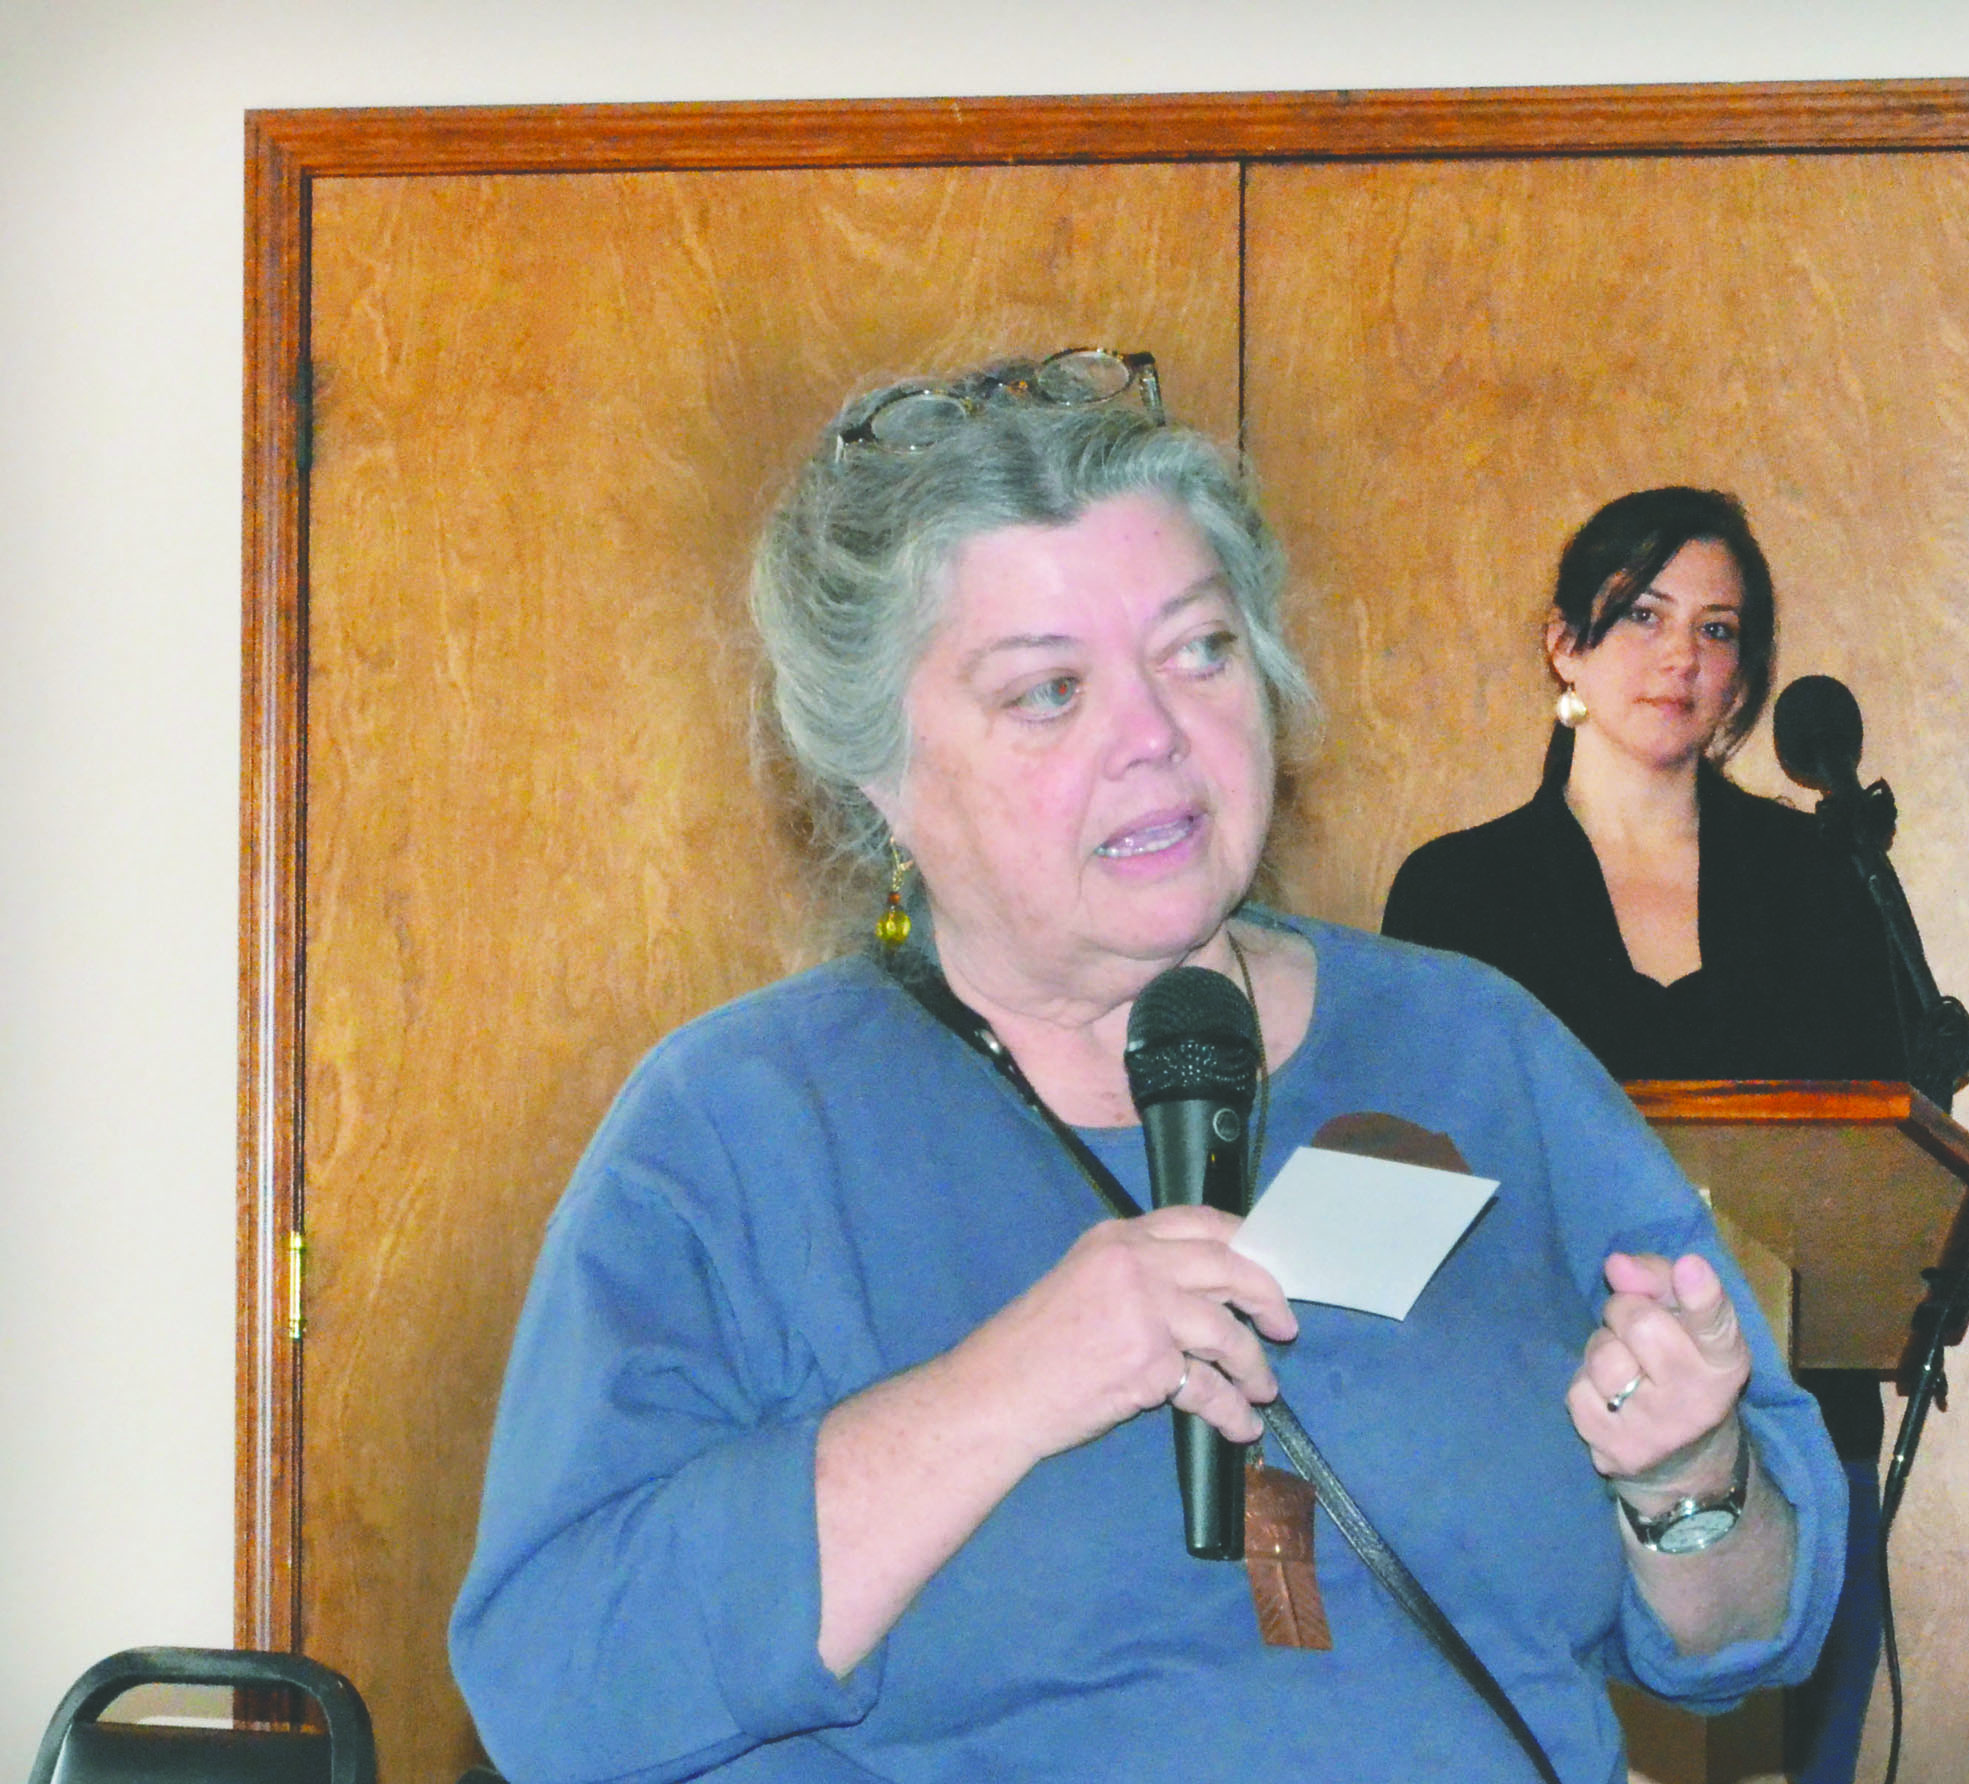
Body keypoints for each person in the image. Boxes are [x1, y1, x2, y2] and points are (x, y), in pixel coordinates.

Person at [449, 360, 1846, 1784]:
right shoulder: (739, 1130)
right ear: (878, 775)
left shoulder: (1477, 1052)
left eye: (1199, 651)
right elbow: (563, 1693)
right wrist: (1010, 1384)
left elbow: (1755, 1631)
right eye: (1049, 691)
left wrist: (1687, 1483)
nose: (1157, 738)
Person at [1381, 484, 1905, 1784]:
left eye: (1720, 632)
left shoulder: (1822, 884)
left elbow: (1882, 1151)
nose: (1681, 656)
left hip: (1793, 1425)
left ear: (1747, 681)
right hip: (1537, 1430)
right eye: (1645, 614)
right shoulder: (1457, 891)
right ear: (1565, 642)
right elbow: (1409, 1179)